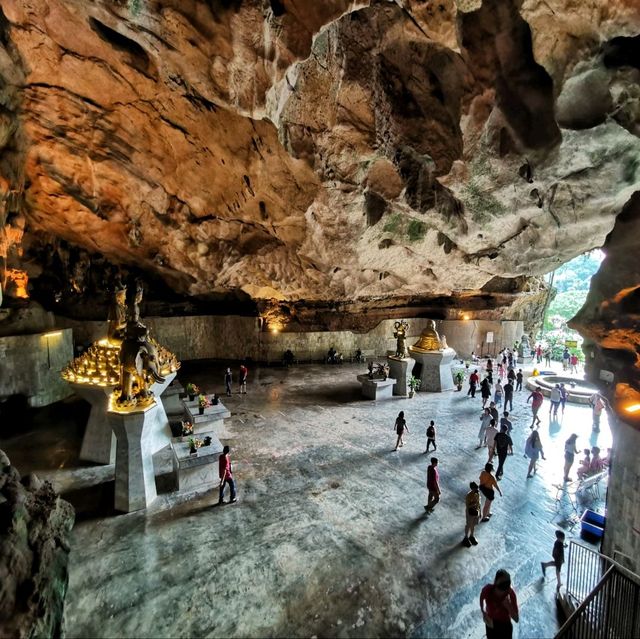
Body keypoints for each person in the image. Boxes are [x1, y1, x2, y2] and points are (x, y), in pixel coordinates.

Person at [480, 569, 519, 639]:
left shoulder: (510, 593)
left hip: (505, 627)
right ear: (495, 582)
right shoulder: (488, 590)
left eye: (507, 585)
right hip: (490, 626)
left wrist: (508, 606)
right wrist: (483, 613)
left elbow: (516, 619)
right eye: (502, 585)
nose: (504, 590)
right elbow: (481, 598)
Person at [463, 482, 481, 547]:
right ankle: (465, 537)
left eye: (477, 488)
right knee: (468, 525)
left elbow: (479, 503)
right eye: (475, 488)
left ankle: (471, 536)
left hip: (476, 512)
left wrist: (480, 512)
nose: (477, 490)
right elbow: (468, 506)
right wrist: (474, 504)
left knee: (473, 525)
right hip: (470, 512)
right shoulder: (469, 495)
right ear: (472, 488)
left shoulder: (477, 493)